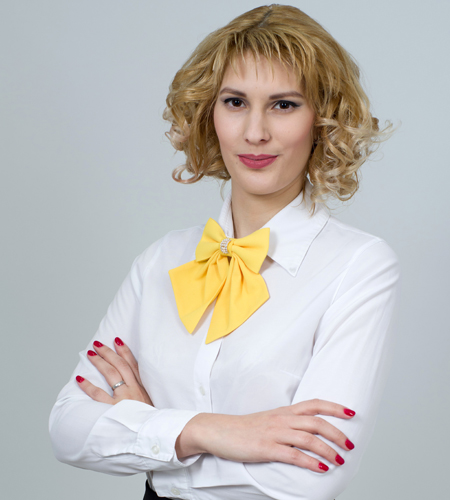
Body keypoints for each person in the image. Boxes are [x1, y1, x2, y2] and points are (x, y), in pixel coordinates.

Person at [49, 4, 400, 500]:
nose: (255, 132)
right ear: (208, 114)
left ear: (323, 120)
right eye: (235, 102)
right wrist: (210, 431)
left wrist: (152, 436)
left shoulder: (359, 265)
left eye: (283, 105)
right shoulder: (161, 260)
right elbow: (67, 427)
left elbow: (310, 477)